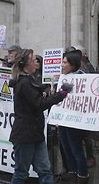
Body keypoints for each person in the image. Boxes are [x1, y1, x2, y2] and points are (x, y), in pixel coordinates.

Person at [9, 49, 71, 184]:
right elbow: (39, 104)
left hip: (36, 133)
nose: (36, 62)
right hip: (25, 135)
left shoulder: (28, 80)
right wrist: (60, 95)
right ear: (26, 64)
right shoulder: (24, 83)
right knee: (21, 173)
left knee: (45, 171)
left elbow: (37, 94)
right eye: (32, 60)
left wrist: (48, 90)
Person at [57, 51, 89, 183]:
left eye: (64, 62)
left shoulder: (82, 77)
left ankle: (82, 175)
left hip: (75, 120)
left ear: (72, 64)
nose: (61, 65)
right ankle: (72, 173)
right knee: (67, 148)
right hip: (63, 119)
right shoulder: (63, 77)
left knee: (76, 149)